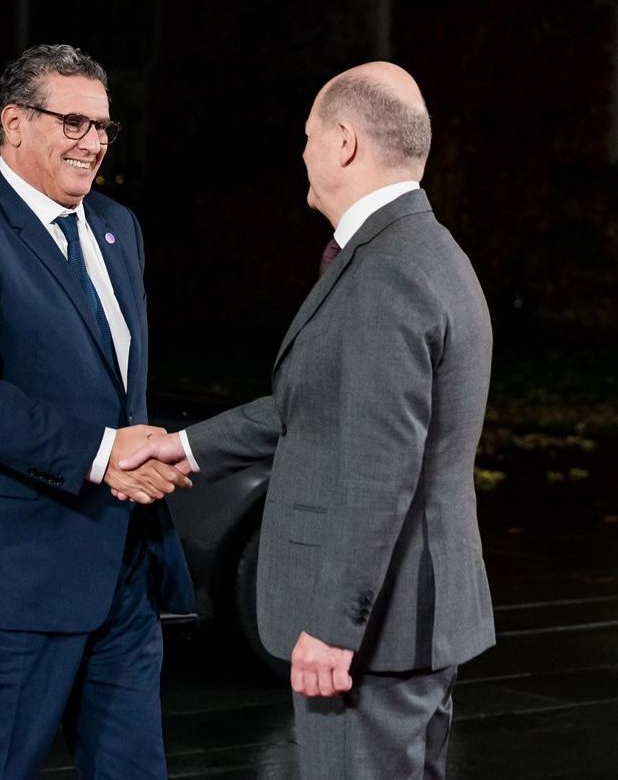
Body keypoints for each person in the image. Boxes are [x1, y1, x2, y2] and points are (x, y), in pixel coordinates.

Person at [123, 62, 495, 779]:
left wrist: (332, 627)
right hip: (409, 622)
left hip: (374, 632)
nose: (302, 152)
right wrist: (183, 447)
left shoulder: (386, 273)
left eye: (309, 135)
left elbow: (378, 468)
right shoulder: (424, 252)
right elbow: (324, 405)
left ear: (346, 142)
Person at [0, 43, 194, 780]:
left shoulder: (118, 228)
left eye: (103, 127)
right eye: (73, 122)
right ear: (14, 123)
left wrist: (139, 456)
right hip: (13, 580)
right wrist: (106, 455)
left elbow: (113, 383)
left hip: (122, 572)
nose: (93, 142)